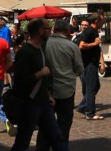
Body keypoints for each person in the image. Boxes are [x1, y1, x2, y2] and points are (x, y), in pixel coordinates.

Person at [10, 19, 68, 151]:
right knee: (22, 141)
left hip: (43, 102)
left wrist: (48, 94)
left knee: (57, 137)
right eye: (48, 28)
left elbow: (43, 79)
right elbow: (20, 80)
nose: (50, 31)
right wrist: (40, 73)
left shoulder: (41, 49)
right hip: (29, 103)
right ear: (40, 31)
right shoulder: (25, 52)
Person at [35, 19, 83, 150]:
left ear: (54, 30)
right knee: (64, 124)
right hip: (66, 89)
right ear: (67, 31)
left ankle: (42, 148)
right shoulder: (71, 46)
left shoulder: (44, 44)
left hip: (46, 89)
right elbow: (79, 68)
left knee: (45, 124)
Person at [74, 15, 105, 120]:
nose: (103, 22)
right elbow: (81, 46)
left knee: (95, 86)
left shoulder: (94, 31)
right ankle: (90, 113)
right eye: (102, 21)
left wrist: (101, 62)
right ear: (96, 21)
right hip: (89, 64)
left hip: (93, 63)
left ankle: (83, 106)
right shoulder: (89, 31)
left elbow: (98, 49)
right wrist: (95, 43)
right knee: (91, 88)